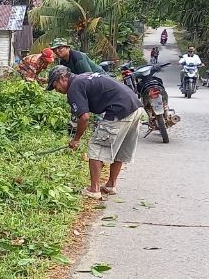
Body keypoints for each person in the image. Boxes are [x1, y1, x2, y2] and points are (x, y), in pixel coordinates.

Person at [48, 66, 143, 199]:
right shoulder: (83, 78)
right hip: (135, 106)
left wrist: (76, 139)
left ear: (63, 78)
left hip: (119, 109)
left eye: (55, 85)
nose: (56, 90)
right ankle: (110, 185)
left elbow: (84, 117)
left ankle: (94, 190)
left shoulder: (73, 87)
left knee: (95, 148)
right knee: (119, 147)